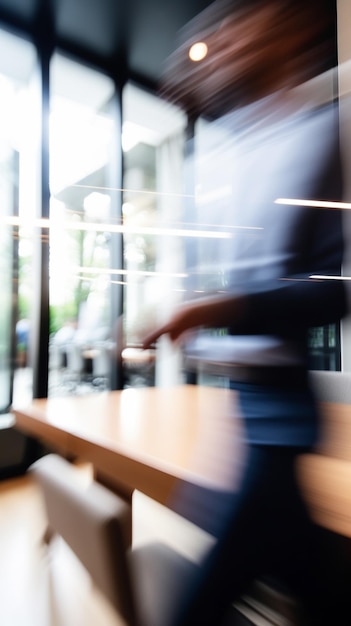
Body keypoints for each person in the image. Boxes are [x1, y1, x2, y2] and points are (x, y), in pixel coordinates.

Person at [142, 0, 349, 624]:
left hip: (282, 419)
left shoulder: (324, 132)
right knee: (311, 582)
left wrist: (219, 307)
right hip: (241, 411)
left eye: (241, 27)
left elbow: (335, 292)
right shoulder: (222, 154)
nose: (224, 43)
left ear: (290, 29)